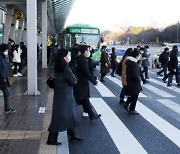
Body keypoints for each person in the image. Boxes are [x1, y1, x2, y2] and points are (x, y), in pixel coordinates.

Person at [47, 48, 82, 145]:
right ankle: (52, 139)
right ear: (64, 57)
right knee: (59, 117)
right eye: (67, 55)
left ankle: (72, 133)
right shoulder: (65, 68)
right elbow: (74, 81)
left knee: (70, 114)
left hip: (61, 94)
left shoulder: (58, 66)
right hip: (64, 96)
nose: (68, 57)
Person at [73, 45, 101, 120]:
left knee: (84, 98)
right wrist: (94, 81)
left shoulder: (80, 59)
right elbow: (86, 72)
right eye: (88, 50)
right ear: (85, 52)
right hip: (82, 82)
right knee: (85, 98)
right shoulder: (83, 60)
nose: (89, 52)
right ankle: (91, 115)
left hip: (80, 82)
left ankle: (87, 112)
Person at [123, 49, 142, 114]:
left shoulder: (129, 62)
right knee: (135, 95)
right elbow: (134, 74)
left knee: (133, 94)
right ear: (136, 56)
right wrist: (138, 80)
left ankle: (127, 103)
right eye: (139, 55)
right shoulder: (134, 64)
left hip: (130, 81)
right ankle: (132, 109)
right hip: (134, 82)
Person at [0, 43, 16, 113]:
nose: (7, 51)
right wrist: (3, 78)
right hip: (1, 79)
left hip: (2, 78)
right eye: (6, 50)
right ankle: (7, 108)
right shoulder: (0, 58)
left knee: (6, 92)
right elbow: (1, 69)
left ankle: (7, 107)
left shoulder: (1, 57)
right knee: (6, 93)